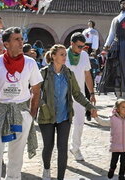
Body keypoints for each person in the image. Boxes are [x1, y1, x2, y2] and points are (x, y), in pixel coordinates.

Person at [0, 27, 43, 179]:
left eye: (21, 39)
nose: (21, 42)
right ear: (6, 44)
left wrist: (32, 114)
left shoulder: (30, 63)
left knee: (16, 156)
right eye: (16, 39)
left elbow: (36, 89)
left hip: (21, 112)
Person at [37, 46, 98, 180]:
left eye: (65, 54)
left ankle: (60, 178)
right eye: (61, 54)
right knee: (48, 147)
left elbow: (77, 93)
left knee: (62, 149)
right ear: (53, 56)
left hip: (64, 117)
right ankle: (46, 169)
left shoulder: (69, 74)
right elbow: (34, 93)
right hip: (46, 117)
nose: (65, 57)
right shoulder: (44, 73)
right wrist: (42, 105)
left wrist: (89, 106)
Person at [64, 32, 97, 161]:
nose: (81, 49)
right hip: (64, 95)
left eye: (83, 46)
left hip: (80, 95)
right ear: (71, 44)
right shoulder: (63, 55)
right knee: (64, 123)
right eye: (78, 46)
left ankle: (75, 148)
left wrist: (92, 93)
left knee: (79, 122)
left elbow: (87, 75)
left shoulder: (84, 55)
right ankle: (62, 149)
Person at [93, 99, 125, 180]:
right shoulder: (113, 119)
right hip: (116, 145)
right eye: (123, 107)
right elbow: (103, 122)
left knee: (123, 162)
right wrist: (96, 117)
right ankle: (112, 169)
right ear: (117, 109)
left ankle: (121, 175)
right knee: (114, 161)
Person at [102, 0, 125, 97]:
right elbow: (112, 33)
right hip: (115, 45)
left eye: (124, 3)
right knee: (114, 67)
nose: (122, 5)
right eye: (121, 3)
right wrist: (107, 44)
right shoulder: (115, 19)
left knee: (124, 67)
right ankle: (117, 92)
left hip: (124, 44)